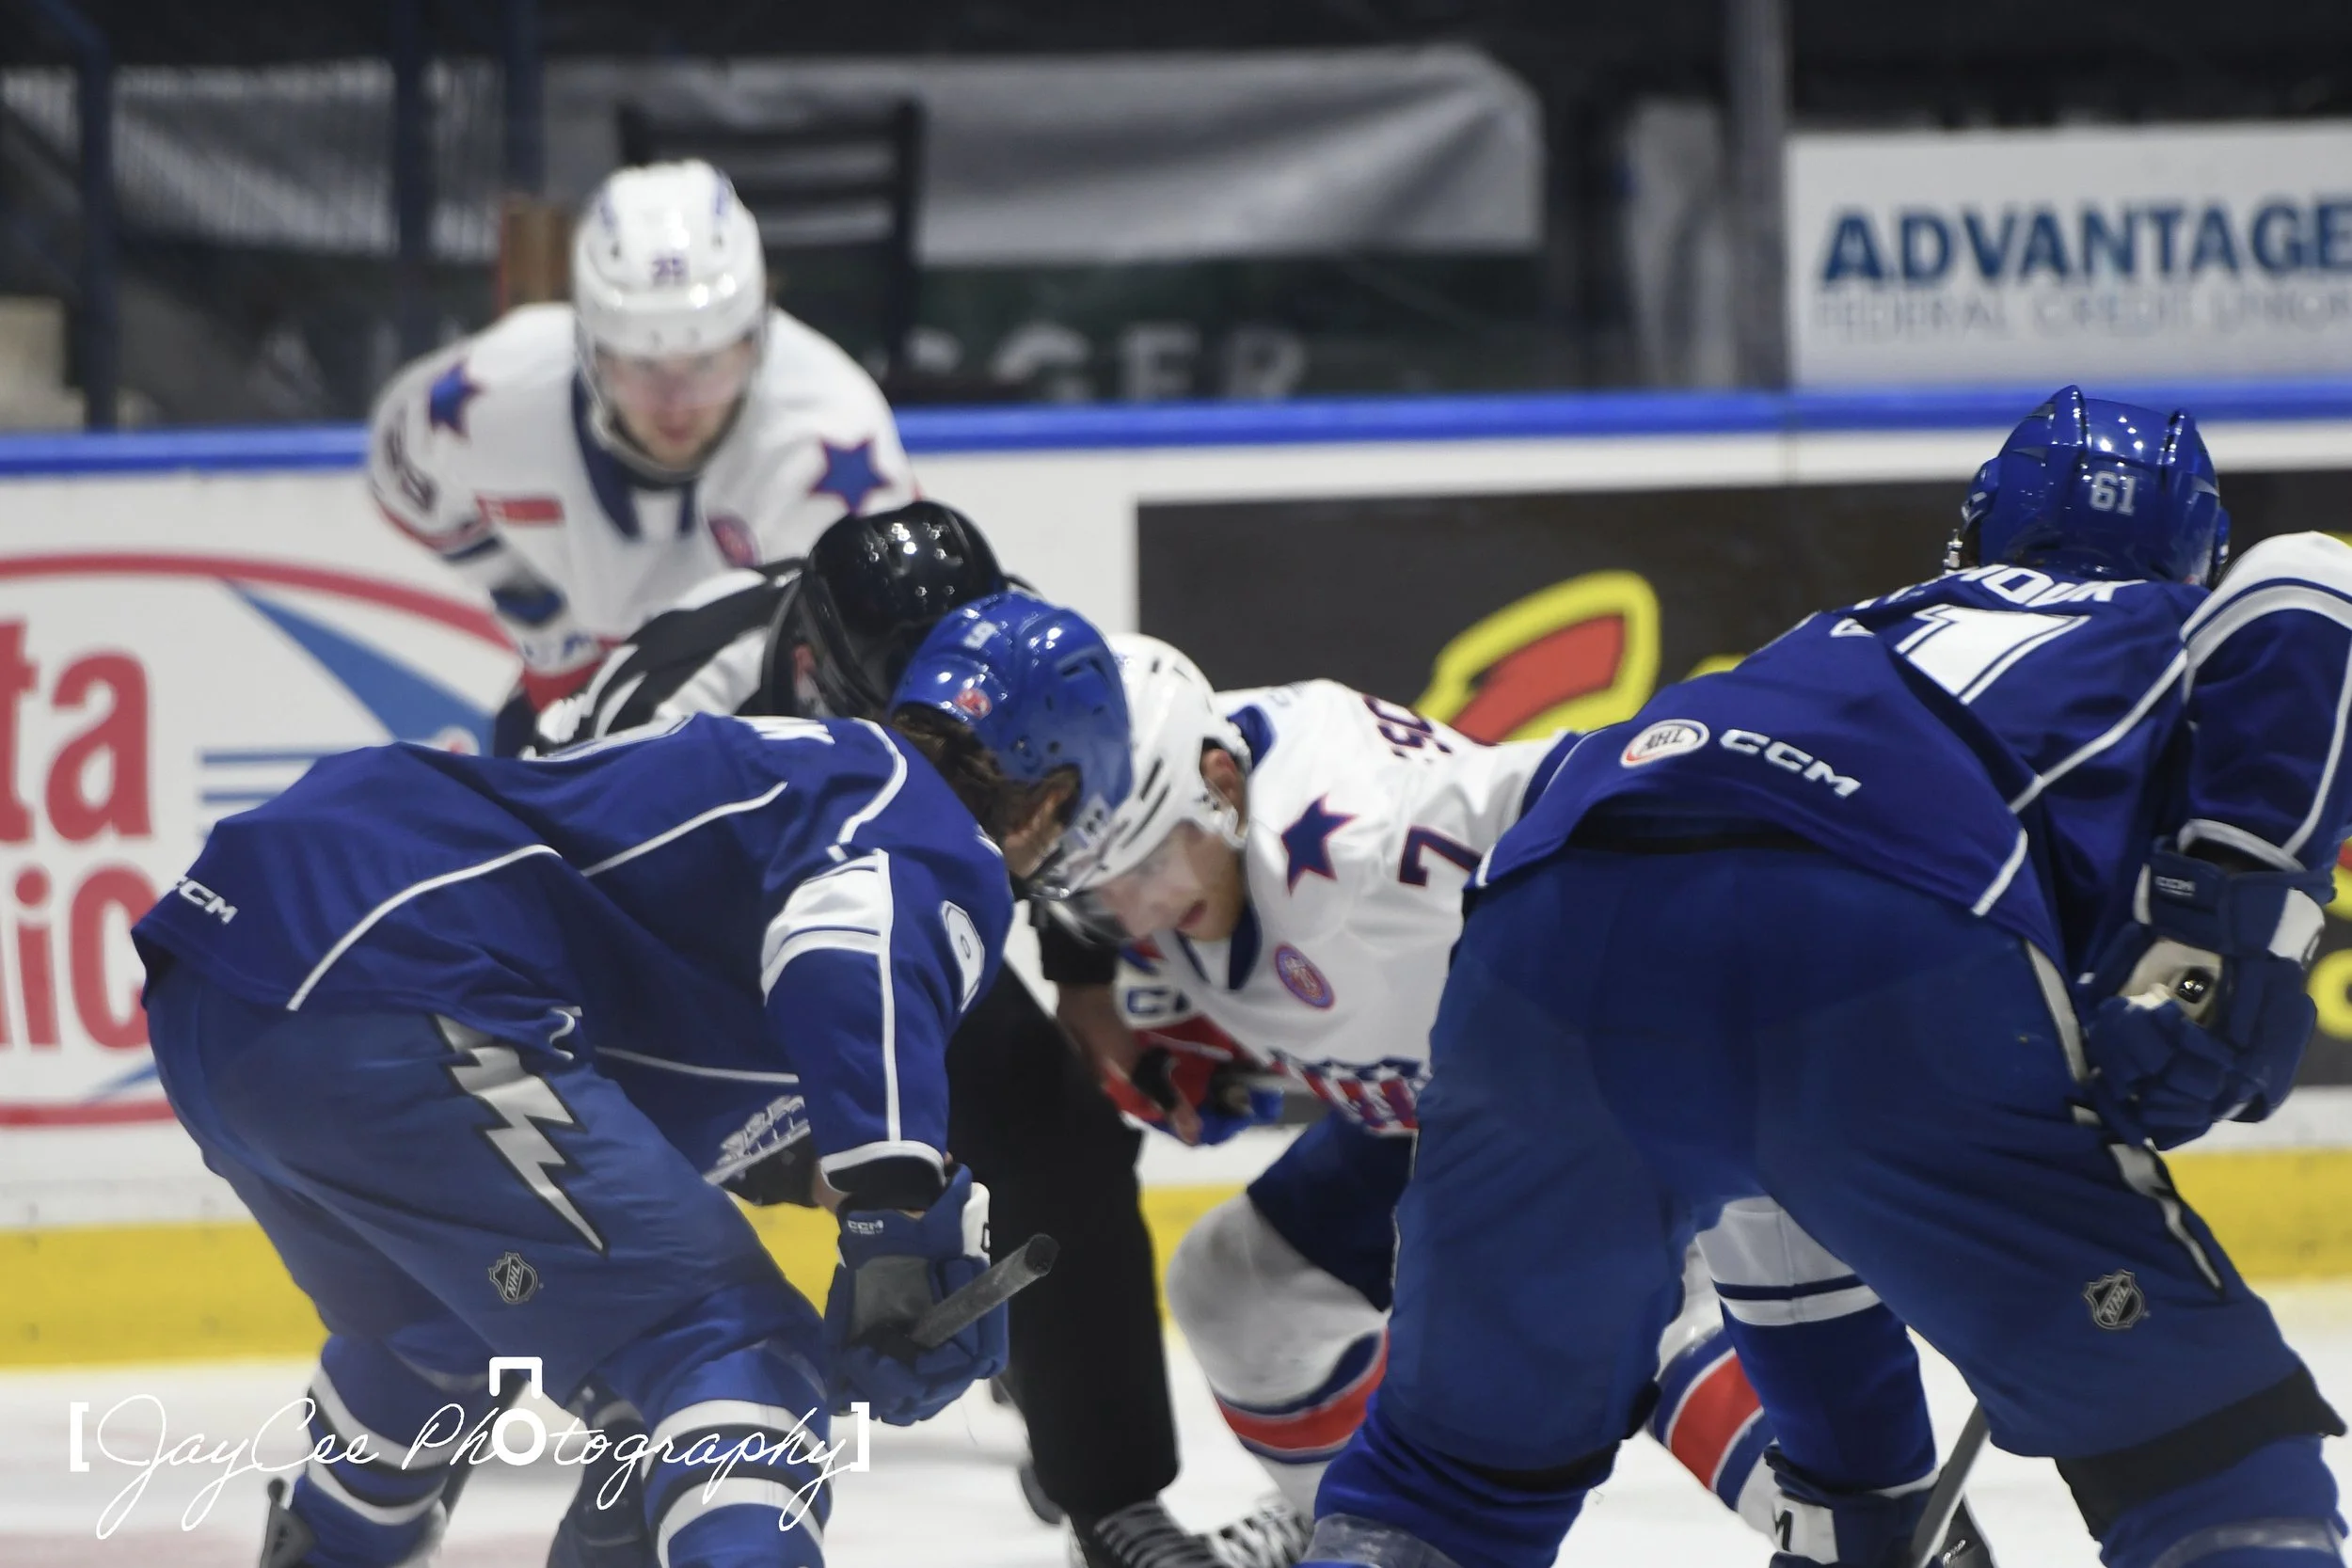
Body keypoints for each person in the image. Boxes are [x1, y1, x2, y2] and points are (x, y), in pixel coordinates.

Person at [1305, 388, 2352, 1568]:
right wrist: (2229, 954)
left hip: (1546, 920)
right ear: (2193, 553)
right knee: (2209, 1451)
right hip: (1871, 925)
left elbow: (1776, 1175)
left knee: (1440, 1491)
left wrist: (1861, 1502)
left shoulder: (1841, 633)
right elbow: (2313, 581)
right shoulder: (2169, 627)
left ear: (1977, 531)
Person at [130, 591, 1130, 1568]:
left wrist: (875, 1208)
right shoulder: (919, 822)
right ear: (1050, 798)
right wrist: (895, 1210)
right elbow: (846, 945)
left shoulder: (793, 789)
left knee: (443, 1331)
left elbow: (682, 1100)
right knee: (731, 1353)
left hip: (224, 994)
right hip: (401, 982)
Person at [1045, 640, 1988, 1565]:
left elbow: (1616, 794)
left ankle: (1896, 1539)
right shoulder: (1167, 804)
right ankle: (1336, 1520)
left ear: (1219, 783)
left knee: (1623, 1310)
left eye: (1145, 866)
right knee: (1239, 1287)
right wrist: (1202, 1045)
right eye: (1097, 888)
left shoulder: (1370, 835)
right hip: (1464, 1109)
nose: (1133, 912)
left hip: (1599, 1085)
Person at [532, 503, 1283, 1568]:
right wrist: (807, 1160)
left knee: (1059, 1136)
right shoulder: (670, 706)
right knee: (699, 1263)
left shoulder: (1007, 643)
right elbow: (574, 933)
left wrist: (1087, 989)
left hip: (882, 913)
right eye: (915, 736)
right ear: (816, 674)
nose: (947, 765)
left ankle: (1113, 1501)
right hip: (669, 965)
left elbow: (1070, 794)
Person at [365, 158, 914, 732]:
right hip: (595, 699)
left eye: (706, 365)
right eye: (643, 367)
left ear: (755, 342)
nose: (676, 405)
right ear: (589, 351)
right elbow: (402, 474)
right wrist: (550, 636)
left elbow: (882, 660)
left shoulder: (830, 436)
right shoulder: (492, 396)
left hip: (767, 719)